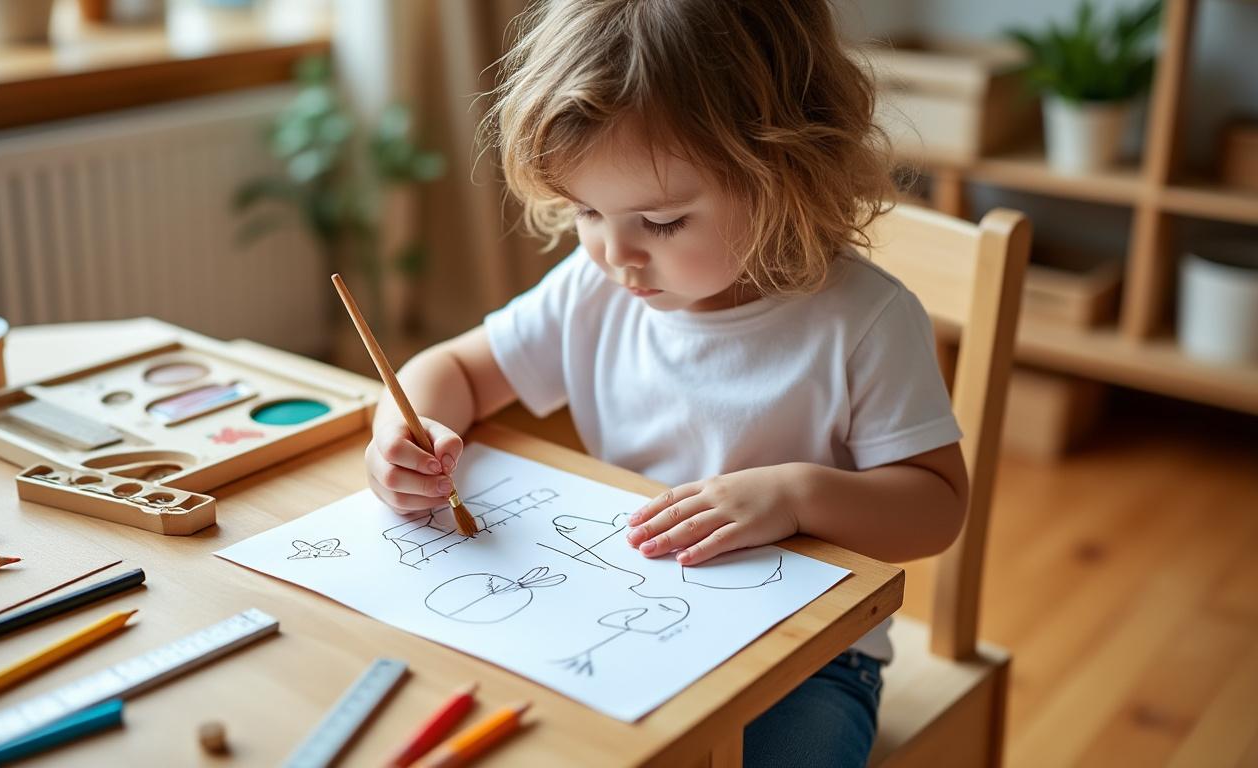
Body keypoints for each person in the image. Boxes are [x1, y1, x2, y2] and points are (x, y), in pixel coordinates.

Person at [364, 2, 969, 764]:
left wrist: (796, 497)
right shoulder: (592, 289)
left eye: (661, 222)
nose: (615, 254)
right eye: (587, 210)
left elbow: (936, 509)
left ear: (783, 170)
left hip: (808, 660)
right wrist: (405, 432)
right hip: (626, 620)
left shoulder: (863, 322)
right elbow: (453, 369)